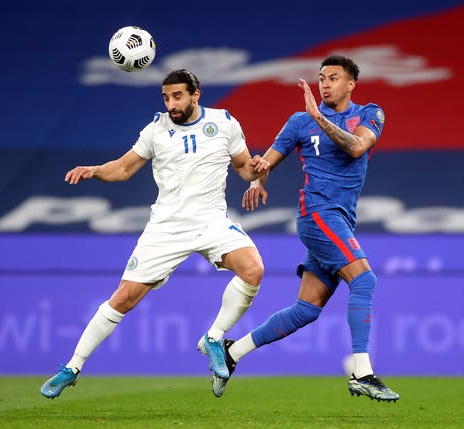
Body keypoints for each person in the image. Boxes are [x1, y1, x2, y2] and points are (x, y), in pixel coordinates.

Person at [40, 69, 270, 399]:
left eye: (177, 96)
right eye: (166, 97)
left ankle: (214, 338)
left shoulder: (224, 123)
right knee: (123, 298)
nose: (171, 103)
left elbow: (245, 166)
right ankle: (72, 367)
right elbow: (123, 168)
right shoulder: (155, 131)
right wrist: (94, 171)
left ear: (196, 95)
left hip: (211, 221)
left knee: (254, 269)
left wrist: (256, 175)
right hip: (166, 227)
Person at [206, 55, 400, 402]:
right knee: (365, 280)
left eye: (333, 78)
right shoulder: (298, 121)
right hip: (317, 214)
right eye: (321, 77)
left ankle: (232, 353)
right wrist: (258, 177)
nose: (325, 83)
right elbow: (267, 159)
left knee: (306, 309)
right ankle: (363, 373)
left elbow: (357, 147)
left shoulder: (370, 113)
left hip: (340, 217)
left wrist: (318, 118)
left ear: (351, 83)